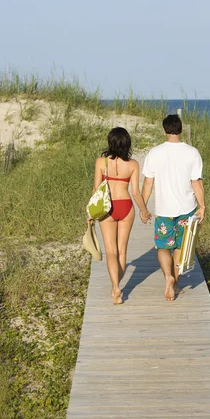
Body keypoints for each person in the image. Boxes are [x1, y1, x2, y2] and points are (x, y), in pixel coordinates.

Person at [141, 114, 205, 302]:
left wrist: (143, 208)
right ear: (181, 129)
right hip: (187, 208)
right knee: (179, 247)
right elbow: (196, 182)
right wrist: (202, 206)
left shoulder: (155, 153)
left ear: (164, 130)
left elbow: (147, 183)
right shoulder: (192, 152)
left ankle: (168, 277)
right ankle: (175, 283)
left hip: (164, 209)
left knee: (163, 247)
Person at [90, 127, 151, 305]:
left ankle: (116, 287)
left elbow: (96, 189)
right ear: (127, 143)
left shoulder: (101, 162)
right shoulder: (133, 165)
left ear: (110, 142)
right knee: (122, 250)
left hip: (107, 208)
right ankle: (117, 286)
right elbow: (136, 193)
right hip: (125, 207)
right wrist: (144, 211)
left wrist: (90, 213)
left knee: (111, 251)